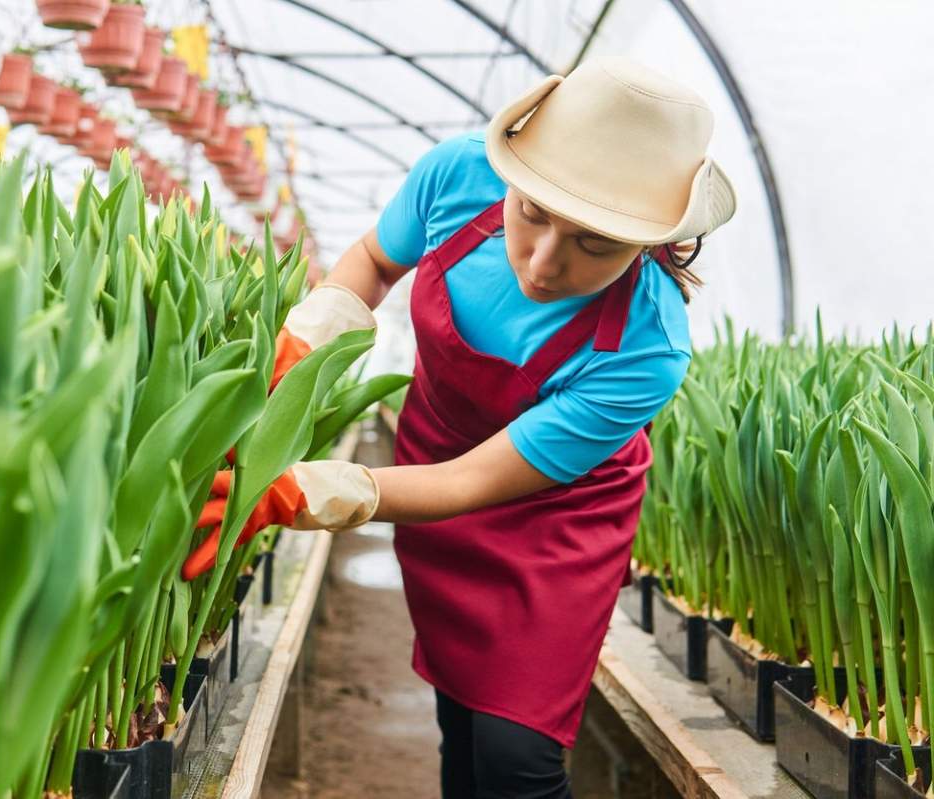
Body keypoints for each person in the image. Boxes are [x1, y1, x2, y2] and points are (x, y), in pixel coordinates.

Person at [187, 56, 736, 798]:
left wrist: (316, 488)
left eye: (594, 244)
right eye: (532, 212)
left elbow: (479, 479)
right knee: (460, 707)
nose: (543, 262)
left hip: (554, 519)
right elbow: (376, 262)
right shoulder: (457, 177)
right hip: (426, 464)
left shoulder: (646, 347)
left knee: (518, 756)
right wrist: (309, 337)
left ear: (650, 243)